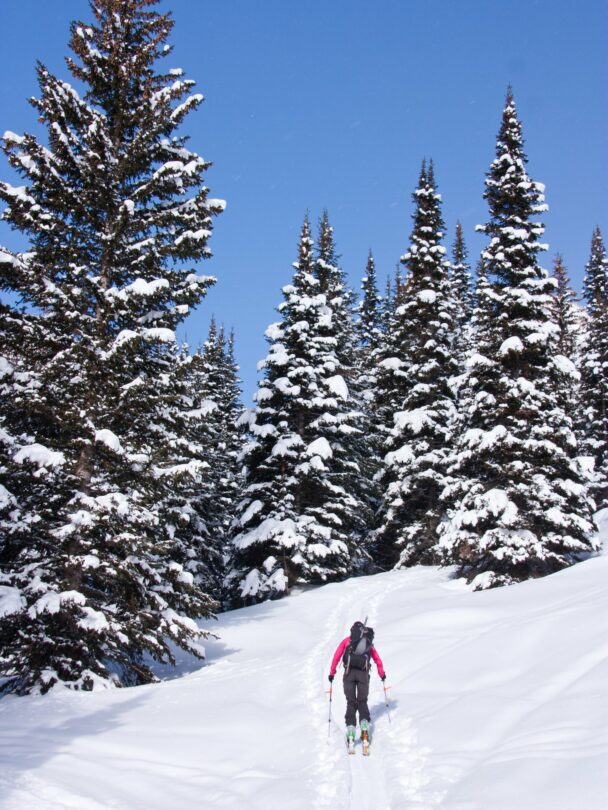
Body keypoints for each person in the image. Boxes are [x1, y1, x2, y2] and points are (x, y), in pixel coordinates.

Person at [328, 621, 386, 750]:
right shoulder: (367, 642)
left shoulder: (347, 641)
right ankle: (364, 727)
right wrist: (382, 674)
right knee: (362, 701)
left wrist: (332, 673)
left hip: (349, 674)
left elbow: (336, 656)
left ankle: (350, 731)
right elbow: (377, 659)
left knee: (351, 702)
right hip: (363, 675)